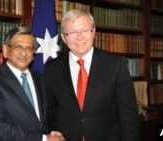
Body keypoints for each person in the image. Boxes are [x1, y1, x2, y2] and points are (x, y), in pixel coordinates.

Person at [44, 9, 141, 141]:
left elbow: (128, 114)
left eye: (84, 30)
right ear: (63, 38)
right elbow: (51, 110)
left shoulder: (115, 64)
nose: (79, 37)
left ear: (94, 32)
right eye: (72, 32)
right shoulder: (51, 69)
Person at [0, 26, 65, 141]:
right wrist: (43, 139)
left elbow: (51, 114)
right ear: (5, 50)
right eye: (17, 47)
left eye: (29, 48)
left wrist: (56, 133)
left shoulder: (41, 80)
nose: (24, 53)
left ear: (33, 54)